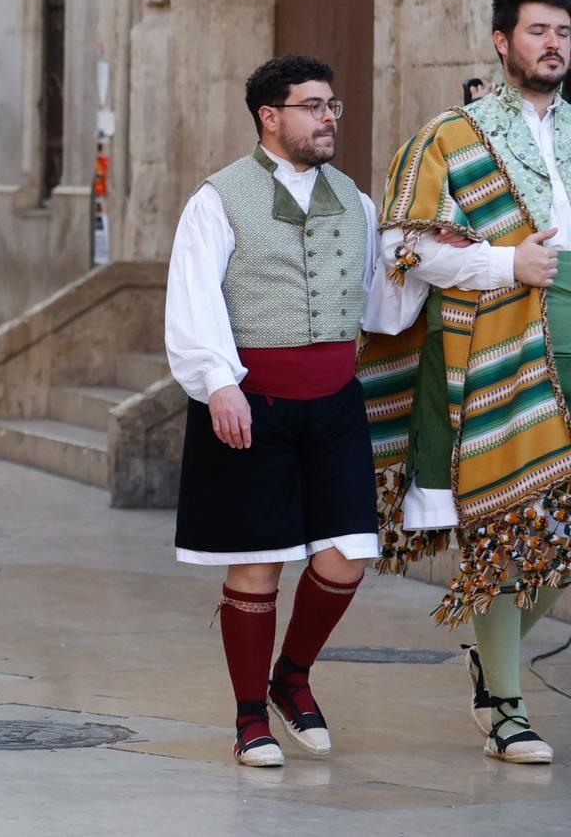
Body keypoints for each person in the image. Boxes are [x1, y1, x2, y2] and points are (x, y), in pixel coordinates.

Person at [358, 0, 571, 765]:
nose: (553, 44)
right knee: (512, 530)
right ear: (501, 42)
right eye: (538, 30)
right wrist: (503, 260)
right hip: (498, 350)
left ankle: (493, 655)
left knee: (562, 540)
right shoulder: (450, 136)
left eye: (564, 33)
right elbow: (399, 248)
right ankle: (508, 704)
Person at [167, 55, 383, 768]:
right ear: (270, 116)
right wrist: (217, 381)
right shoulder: (218, 198)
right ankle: (249, 716)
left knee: (348, 553)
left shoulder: (356, 200)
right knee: (256, 564)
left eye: (333, 105)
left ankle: (292, 673)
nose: (328, 118)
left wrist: (431, 261)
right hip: (252, 403)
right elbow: (193, 296)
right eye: (313, 105)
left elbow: (381, 304)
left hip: (335, 401)